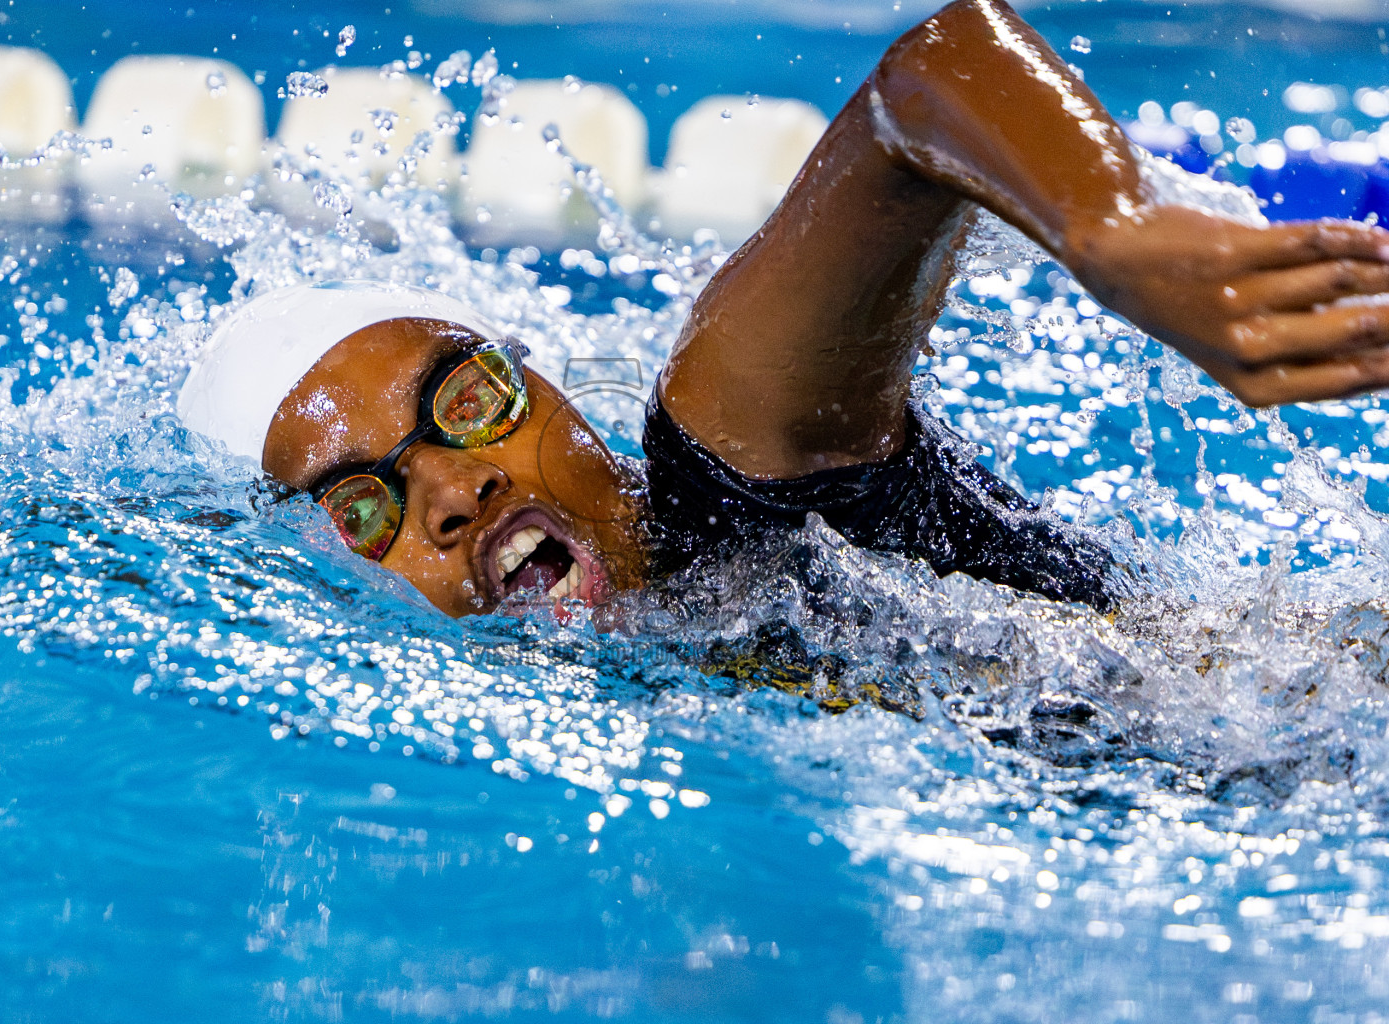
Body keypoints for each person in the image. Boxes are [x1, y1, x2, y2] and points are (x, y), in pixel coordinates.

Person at [179, 0, 1389, 621]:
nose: (459, 494)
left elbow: (928, 77)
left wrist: (1117, 229)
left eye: (467, 402)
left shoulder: (730, 461)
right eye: (368, 507)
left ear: (549, 390)